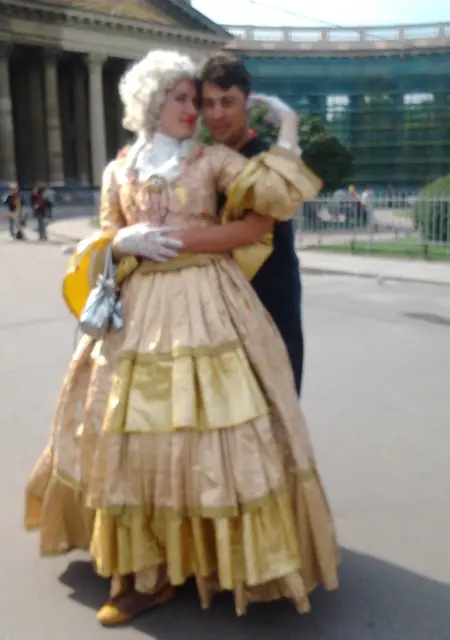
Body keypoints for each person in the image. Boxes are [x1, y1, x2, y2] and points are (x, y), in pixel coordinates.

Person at [25, 50, 339, 627]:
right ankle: (148, 571)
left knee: (214, 432)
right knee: (134, 434)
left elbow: (270, 206)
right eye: (184, 99)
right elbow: (105, 235)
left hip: (210, 306)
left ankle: (218, 556)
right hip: (139, 313)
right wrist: (122, 243)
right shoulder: (118, 170)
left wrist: (289, 130)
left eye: (198, 100)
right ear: (152, 101)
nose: (195, 110)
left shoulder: (212, 160)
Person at [199, 54, 305, 395]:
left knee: (276, 414)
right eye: (209, 103)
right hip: (219, 313)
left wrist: (289, 122)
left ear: (247, 103)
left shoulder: (267, 159)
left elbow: (259, 219)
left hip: (270, 305)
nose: (217, 114)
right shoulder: (202, 161)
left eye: (227, 102)